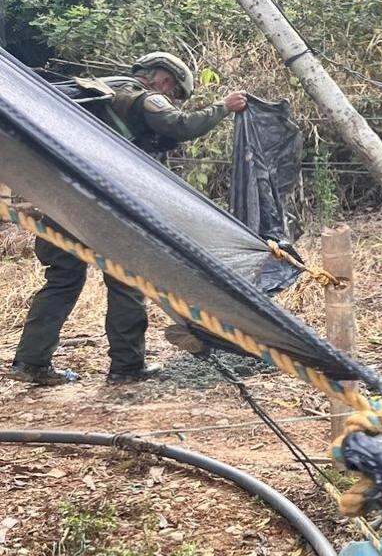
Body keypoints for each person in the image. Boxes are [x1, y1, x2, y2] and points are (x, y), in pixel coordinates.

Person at [9, 51, 248, 387]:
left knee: (62, 281)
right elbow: (180, 125)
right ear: (165, 79)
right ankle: (127, 367)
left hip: (60, 200)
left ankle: (30, 363)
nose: (172, 99)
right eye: (175, 94)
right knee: (127, 283)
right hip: (107, 209)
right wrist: (223, 107)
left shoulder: (93, 93)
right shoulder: (147, 98)